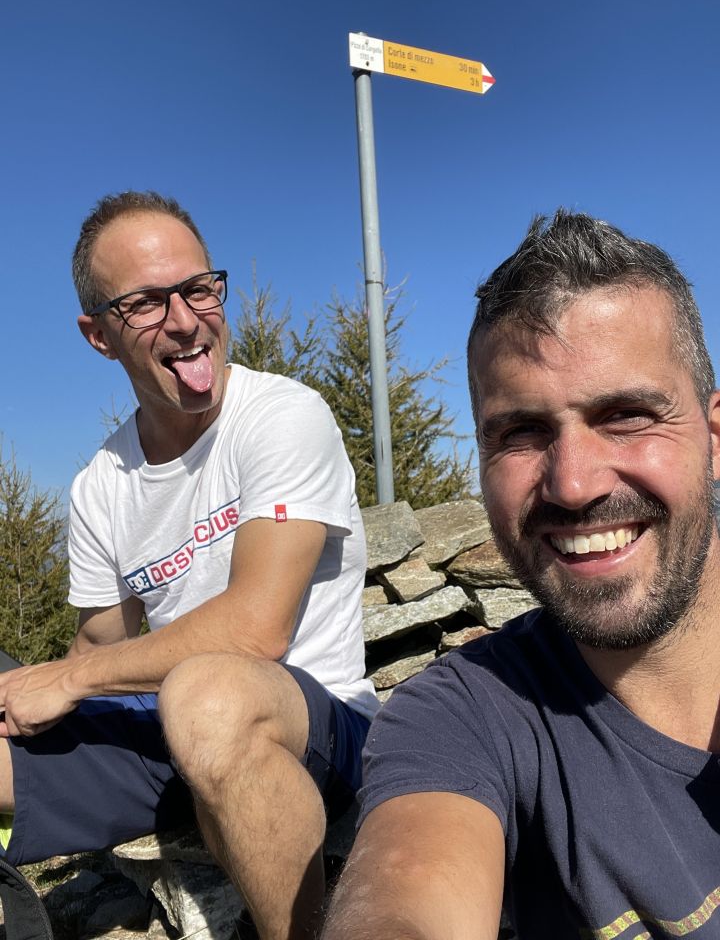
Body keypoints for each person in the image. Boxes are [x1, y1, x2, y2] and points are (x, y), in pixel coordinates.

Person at [323, 210, 720, 940]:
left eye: (627, 415)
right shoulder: (459, 719)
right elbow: (405, 895)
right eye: (521, 432)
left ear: (714, 436)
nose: (573, 484)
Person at [0, 191, 378, 940]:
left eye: (199, 288)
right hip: (172, 735)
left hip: (314, 727)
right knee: (188, 702)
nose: (184, 320)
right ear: (99, 336)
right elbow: (99, 645)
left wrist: (69, 681)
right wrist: (29, 690)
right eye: (145, 303)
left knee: (207, 692)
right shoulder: (102, 482)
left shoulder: (282, 416)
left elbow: (256, 630)